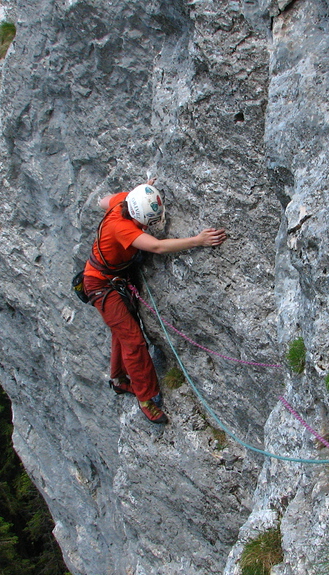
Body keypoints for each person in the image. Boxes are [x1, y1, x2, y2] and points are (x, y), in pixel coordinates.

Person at [82, 179, 227, 424]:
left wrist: (144, 190)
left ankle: (119, 379)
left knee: (122, 330)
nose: (146, 227)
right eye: (146, 223)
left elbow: (102, 201)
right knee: (134, 341)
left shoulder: (123, 201)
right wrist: (198, 240)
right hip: (101, 285)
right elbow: (157, 247)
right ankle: (147, 397)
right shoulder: (123, 228)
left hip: (110, 277)